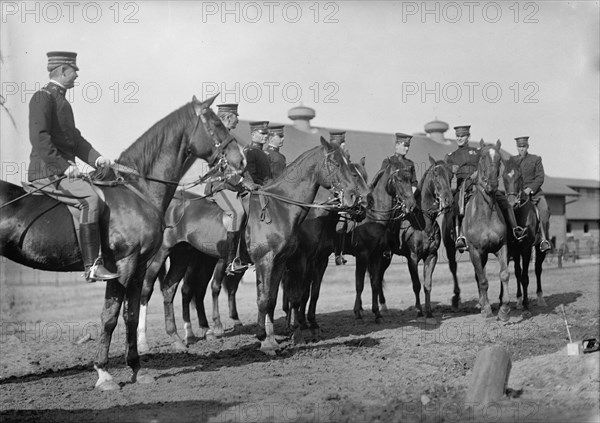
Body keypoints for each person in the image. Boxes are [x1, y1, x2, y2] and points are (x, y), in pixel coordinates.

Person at [27, 51, 118, 283]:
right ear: (63, 71)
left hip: (61, 171)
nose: (77, 75)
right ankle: (92, 266)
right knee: (90, 199)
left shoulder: (62, 101)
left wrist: (97, 159)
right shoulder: (42, 98)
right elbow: (40, 138)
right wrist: (63, 168)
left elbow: (75, 140)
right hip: (46, 172)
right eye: (74, 70)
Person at [446, 125, 524, 253]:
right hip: (464, 187)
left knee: (504, 201)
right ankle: (460, 236)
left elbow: (488, 163)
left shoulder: (478, 151)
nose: (460, 138)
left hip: (482, 184)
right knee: (457, 205)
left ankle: (515, 229)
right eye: (458, 136)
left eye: (463, 136)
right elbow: (448, 174)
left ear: (468, 136)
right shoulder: (451, 156)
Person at [206, 103, 257, 275]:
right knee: (237, 213)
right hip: (220, 185)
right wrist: (244, 182)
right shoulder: (217, 139)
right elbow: (224, 169)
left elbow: (240, 166)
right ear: (228, 117)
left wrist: (252, 184)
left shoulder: (229, 138)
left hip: (235, 185)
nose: (238, 120)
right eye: (236, 116)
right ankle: (231, 262)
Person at [379, 133, 418, 252]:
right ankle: (385, 244)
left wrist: (410, 196)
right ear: (397, 145)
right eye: (404, 145)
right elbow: (382, 182)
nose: (407, 149)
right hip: (392, 199)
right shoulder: (388, 161)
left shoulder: (410, 164)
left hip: (406, 199)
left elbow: (414, 182)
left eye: (408, 146)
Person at [514, 136, 552, 252]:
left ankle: (543, 239)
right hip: (518, 195)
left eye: (523, 147)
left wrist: (530, 189)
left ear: (527, 147)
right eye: (519, 147)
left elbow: (540, 177)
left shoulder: (536, 159)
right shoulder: (512, 161)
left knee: (544, 211)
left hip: (535, 194)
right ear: (517, 147)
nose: (521, 149)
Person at [329, 131, 352, 265]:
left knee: (344, 221)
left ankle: (339, 253)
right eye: (341, 143)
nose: (343, 146)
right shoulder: (329, 157)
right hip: (329, 194)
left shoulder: (344, 157)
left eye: (343, 143)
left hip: (341, 194)